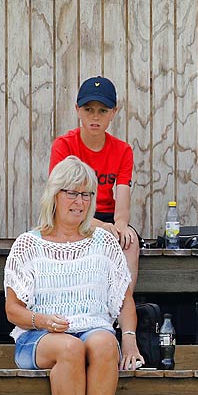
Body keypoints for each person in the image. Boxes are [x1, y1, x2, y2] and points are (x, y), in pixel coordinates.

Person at [4, 157, 144, 395]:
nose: (79, 202)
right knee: (69, 349)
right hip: (39, 336)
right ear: (54, 195)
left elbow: (123, 297)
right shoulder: (29, 244)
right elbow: (13, 310)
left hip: (91, 327)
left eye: (86, 195)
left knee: (105, 343)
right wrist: (43, 320)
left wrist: (130, 340)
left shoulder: (103, 243)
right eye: (72, 193)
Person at [50, 76, 142, 290]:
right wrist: (100, 227)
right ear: (77, 110)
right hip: (70, 214)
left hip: (106, 216)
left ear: (113, 112)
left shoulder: (122, 150)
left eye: (103, 110)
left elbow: (122, 195)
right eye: (88, 109)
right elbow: (60, 199)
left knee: (130, 241)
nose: (95, 117)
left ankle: (122, 308)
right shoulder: (63, 146)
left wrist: (120, 226)